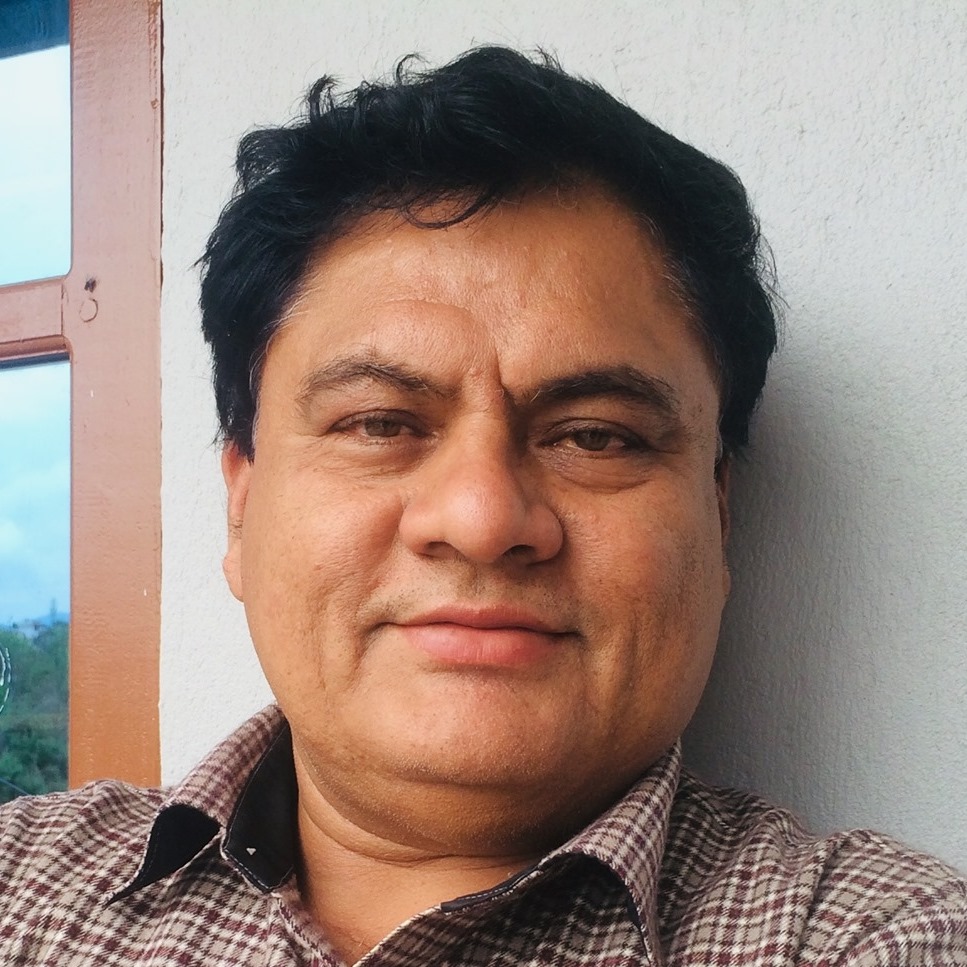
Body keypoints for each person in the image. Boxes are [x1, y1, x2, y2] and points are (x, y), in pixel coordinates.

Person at [1, 46, 965, 966]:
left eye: (596, 436)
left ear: (719, 517)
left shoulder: (879, 936)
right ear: (241, 504)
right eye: (379, 423)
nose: (480, 519)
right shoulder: (19, 887)